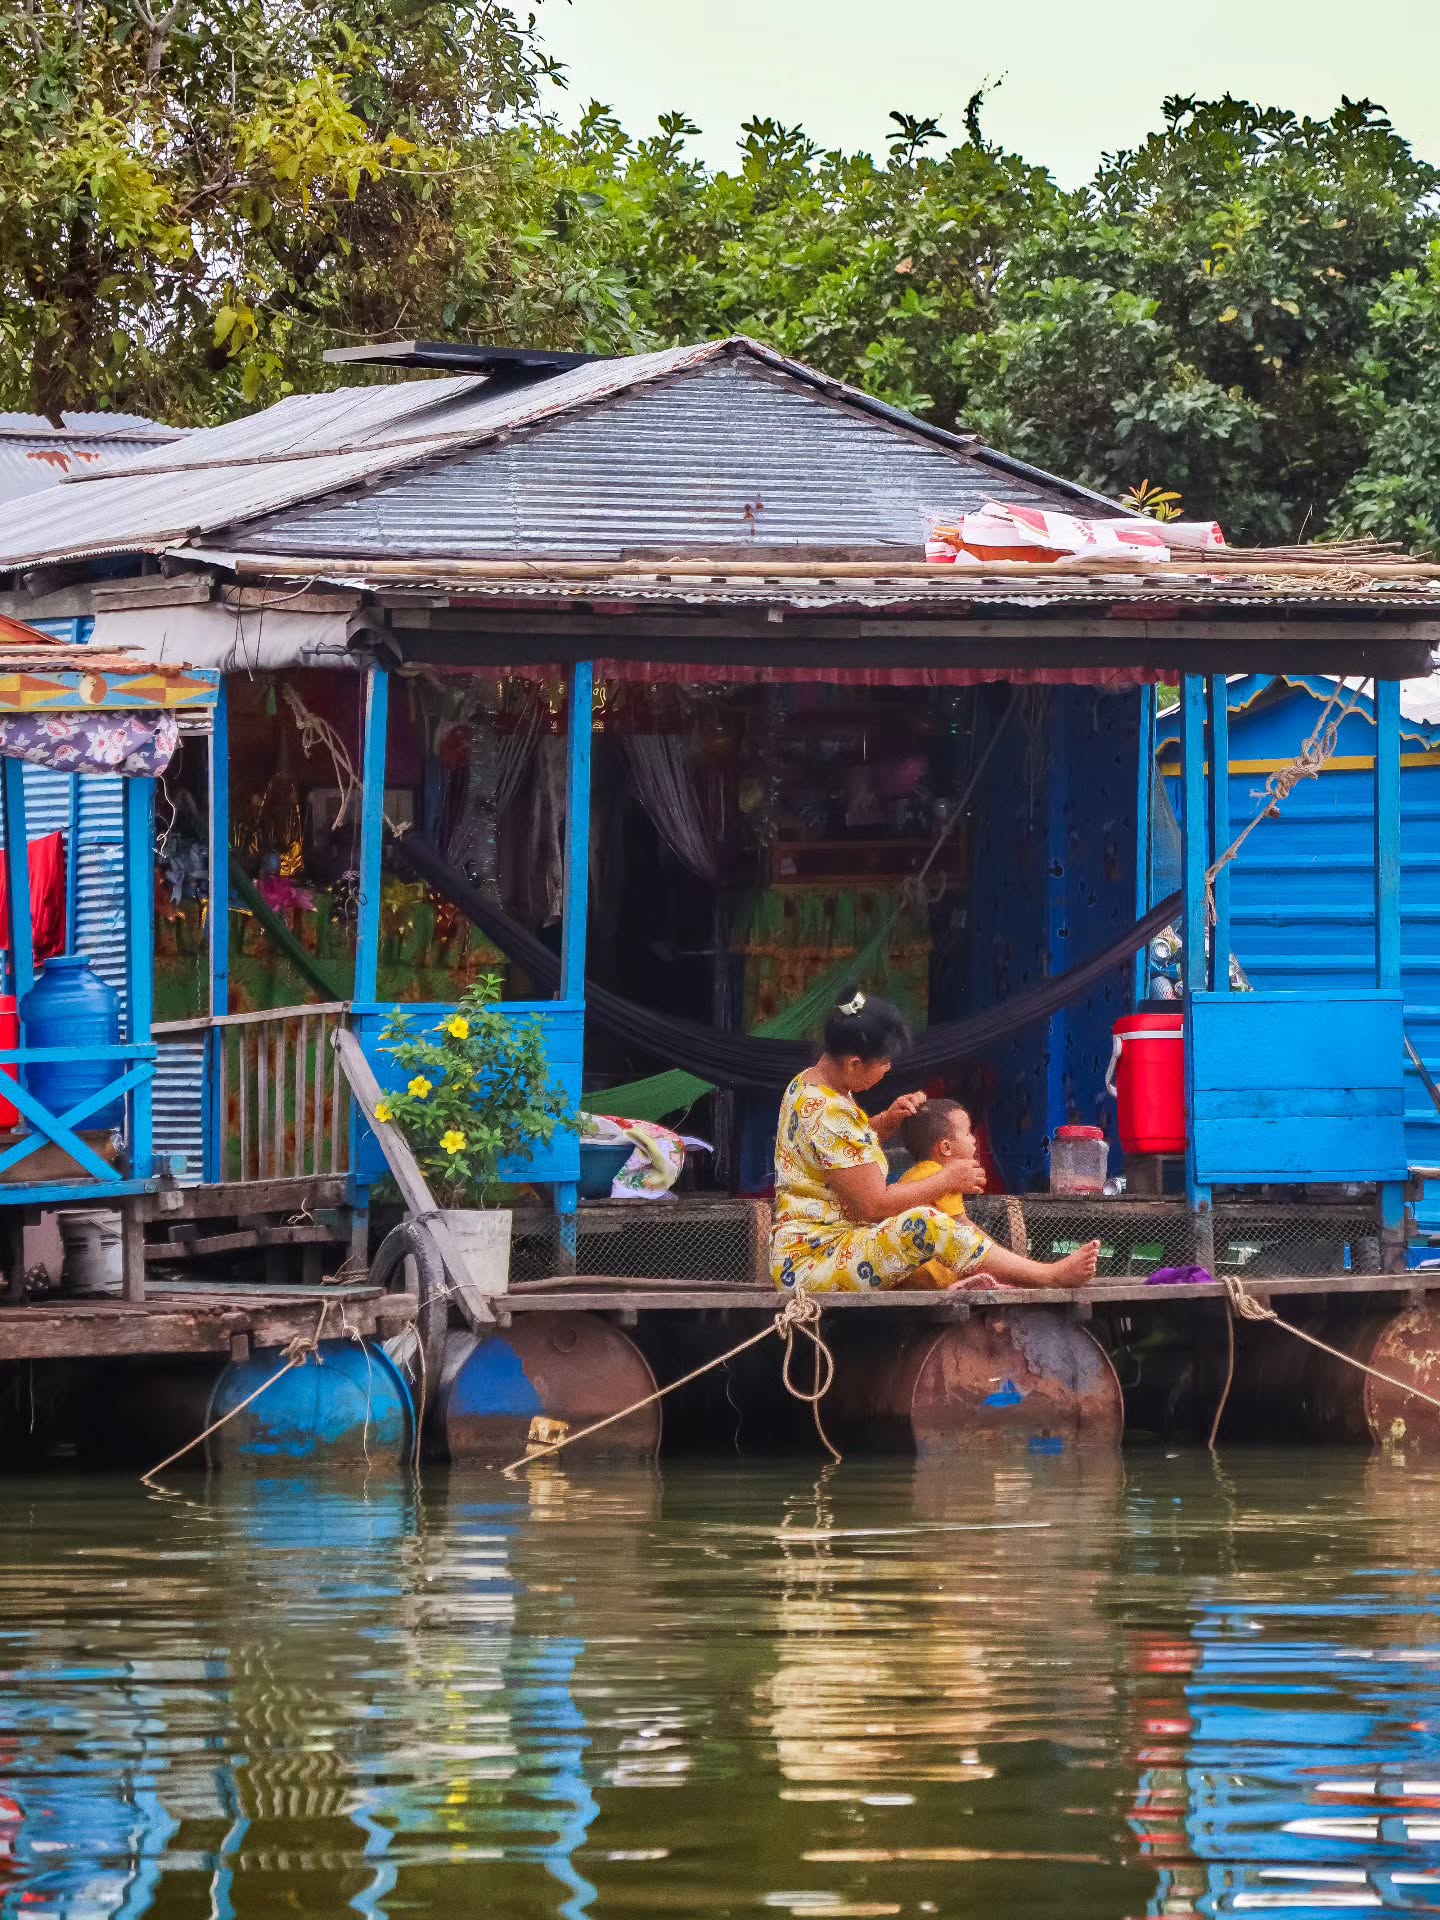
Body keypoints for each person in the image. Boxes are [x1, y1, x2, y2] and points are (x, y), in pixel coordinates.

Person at [771, 991, 993, 1293]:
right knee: (925, 1224)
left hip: (817, 1250)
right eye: (884, 1062)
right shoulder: (827, 1110)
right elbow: (874, 1206)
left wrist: (886, 1121)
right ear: (854, 1065)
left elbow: (840, 1153)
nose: (889, 1069)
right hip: (817, 1259)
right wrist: (948, 1178)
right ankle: (1043, 1277)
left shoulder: (813, 1083)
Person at [899, 1099, 1100, 1290]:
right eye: (968, 1133)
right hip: (930, 1278)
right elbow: (967, 1232)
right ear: (946, 1148)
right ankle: (1049, 1275)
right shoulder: (937, 1175)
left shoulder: (916, 1174)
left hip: (910, 1275)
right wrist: (1004, 1263)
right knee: (988, 1258)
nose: (974, 1140)